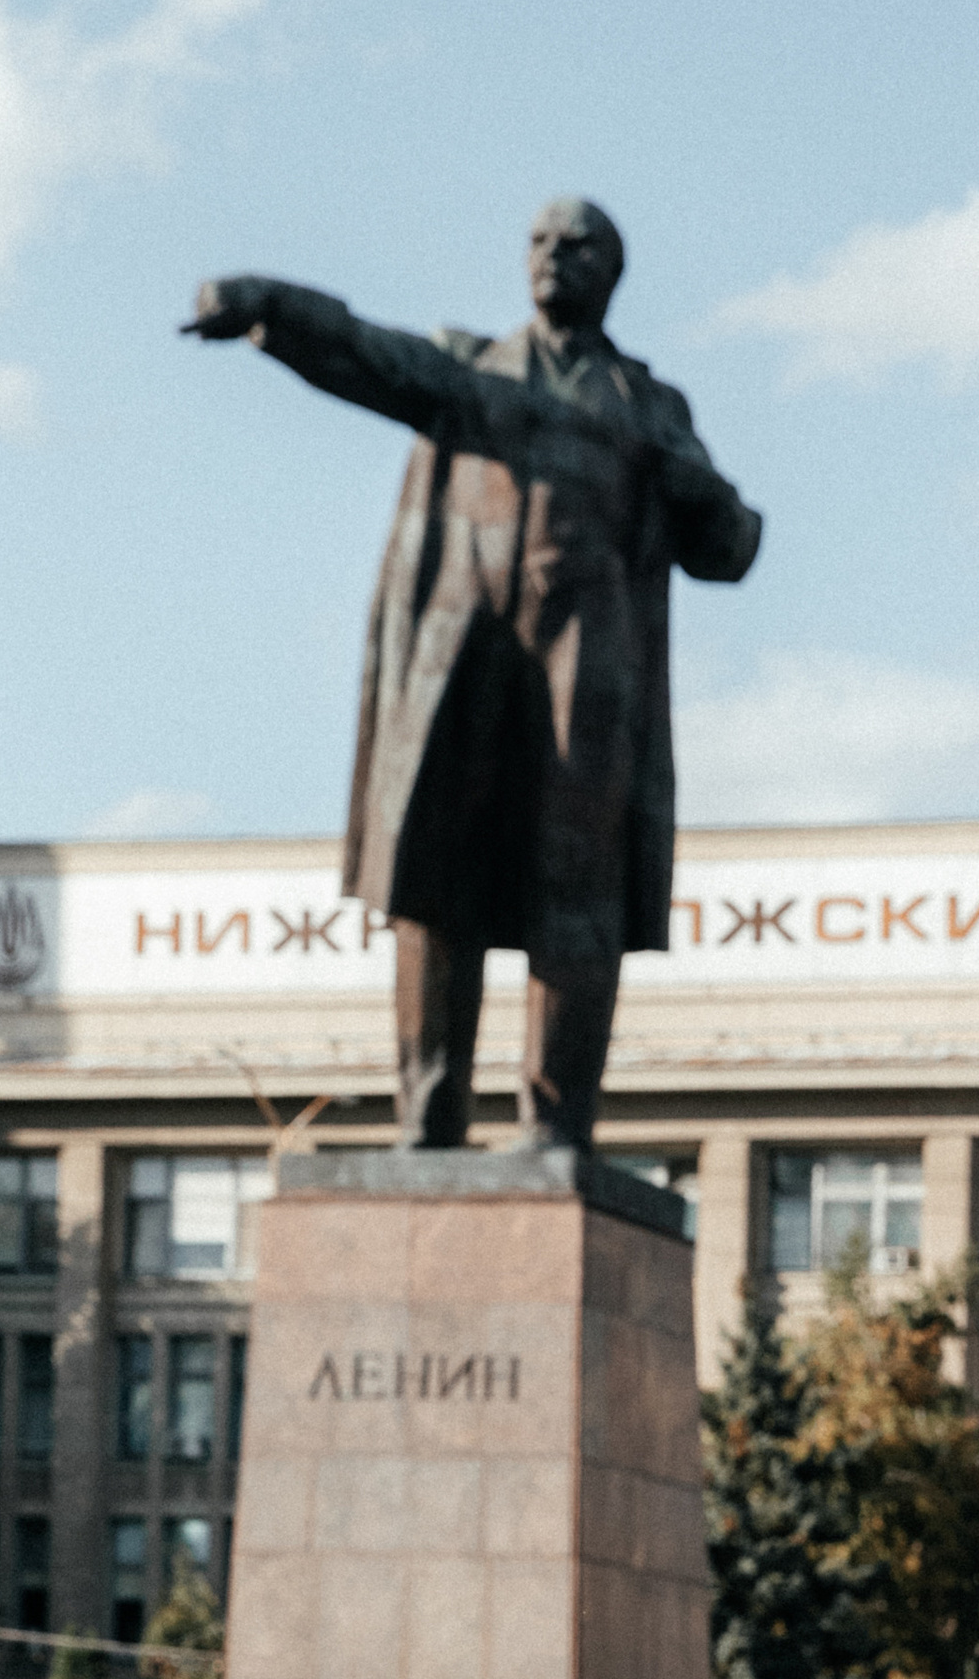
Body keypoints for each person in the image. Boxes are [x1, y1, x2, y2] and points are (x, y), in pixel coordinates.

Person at [185, 197, 762, 1154]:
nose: (553, 257)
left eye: (578, 246)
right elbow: (363, 350)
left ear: (612, 271)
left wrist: (696, 487)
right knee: (435, 884)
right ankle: (429, 1117)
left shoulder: (650, 408)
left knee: (576, 895)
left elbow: (731, 549)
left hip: (591, 657)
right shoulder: (471, 369)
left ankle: (556, 1126)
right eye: (539, 241)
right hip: (467, 654)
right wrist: (264, 306)